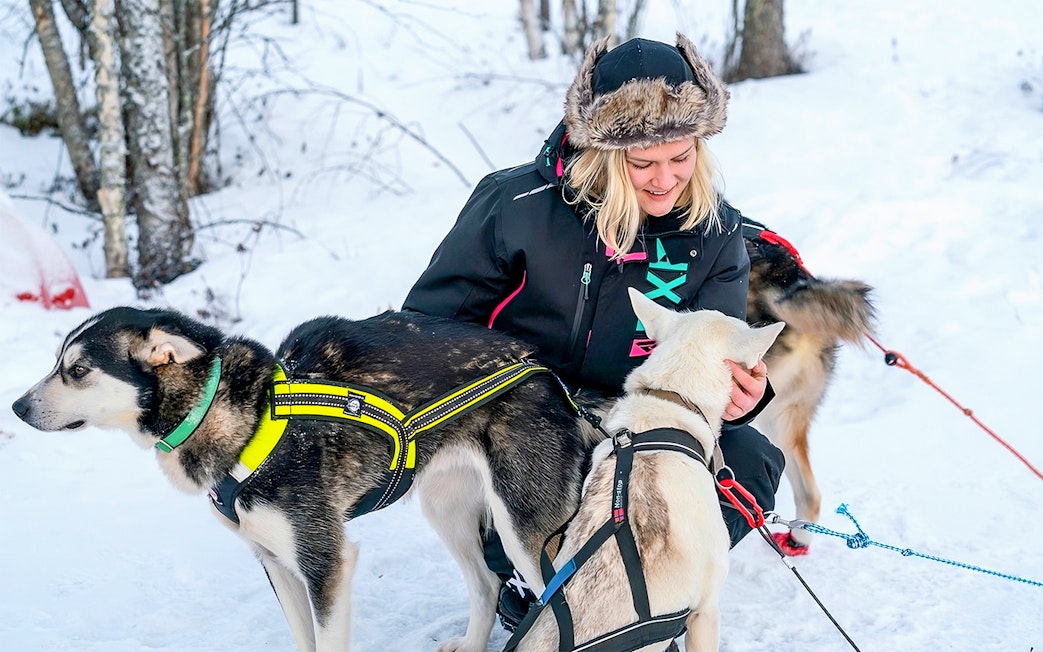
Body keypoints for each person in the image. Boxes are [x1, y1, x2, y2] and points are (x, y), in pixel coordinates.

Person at [403, 33, 785, 631]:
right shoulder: (516, 205)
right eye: (642, 164)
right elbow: (429, 327)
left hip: (634, 415)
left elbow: (712, 351)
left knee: (750, 460)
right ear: (603, 155)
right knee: (552, 488)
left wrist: (739, 396)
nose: (665, 180)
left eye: (681, 157)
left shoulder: (716, 235)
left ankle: (665, 580)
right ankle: (528, 580)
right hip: (526, 422)